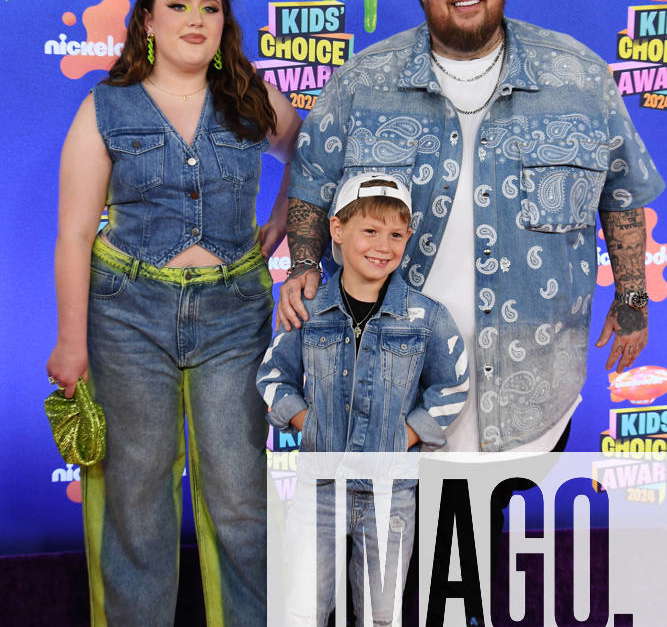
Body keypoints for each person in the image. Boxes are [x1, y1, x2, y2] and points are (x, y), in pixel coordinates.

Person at [278, 0, 665, 455]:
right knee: (395, 517)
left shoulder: (580, 76)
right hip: (387, 375)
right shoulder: (363, 81)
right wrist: (303, 263)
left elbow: (621, 193)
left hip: (534, 384)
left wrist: (633, 296)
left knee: (493, 511)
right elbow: (312, 183)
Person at [46, 1, 300, 625]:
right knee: (134, 497)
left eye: (209, 7)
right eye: (177, 5)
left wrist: (285, 219)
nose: (195, 18)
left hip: (233, 315)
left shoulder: (253, 97)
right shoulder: (106, 107)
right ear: (148, 23)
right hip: (126, 315)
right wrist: (70, 342)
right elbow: (75, 234)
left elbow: (312, 153)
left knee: (241, 497)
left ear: (223, 23)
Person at [257, 174, 469, 625]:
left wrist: (406, 434)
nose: (383, 245)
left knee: (381, 614)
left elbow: (451, 386)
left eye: (395, 234)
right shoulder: (308, 311)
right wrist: (304, 422)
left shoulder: (425, 317)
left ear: (408, 237)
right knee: (300, 611)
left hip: (391, 493)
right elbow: (275, 375)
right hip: (318, 491)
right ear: (337, 229)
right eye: (370, 231)